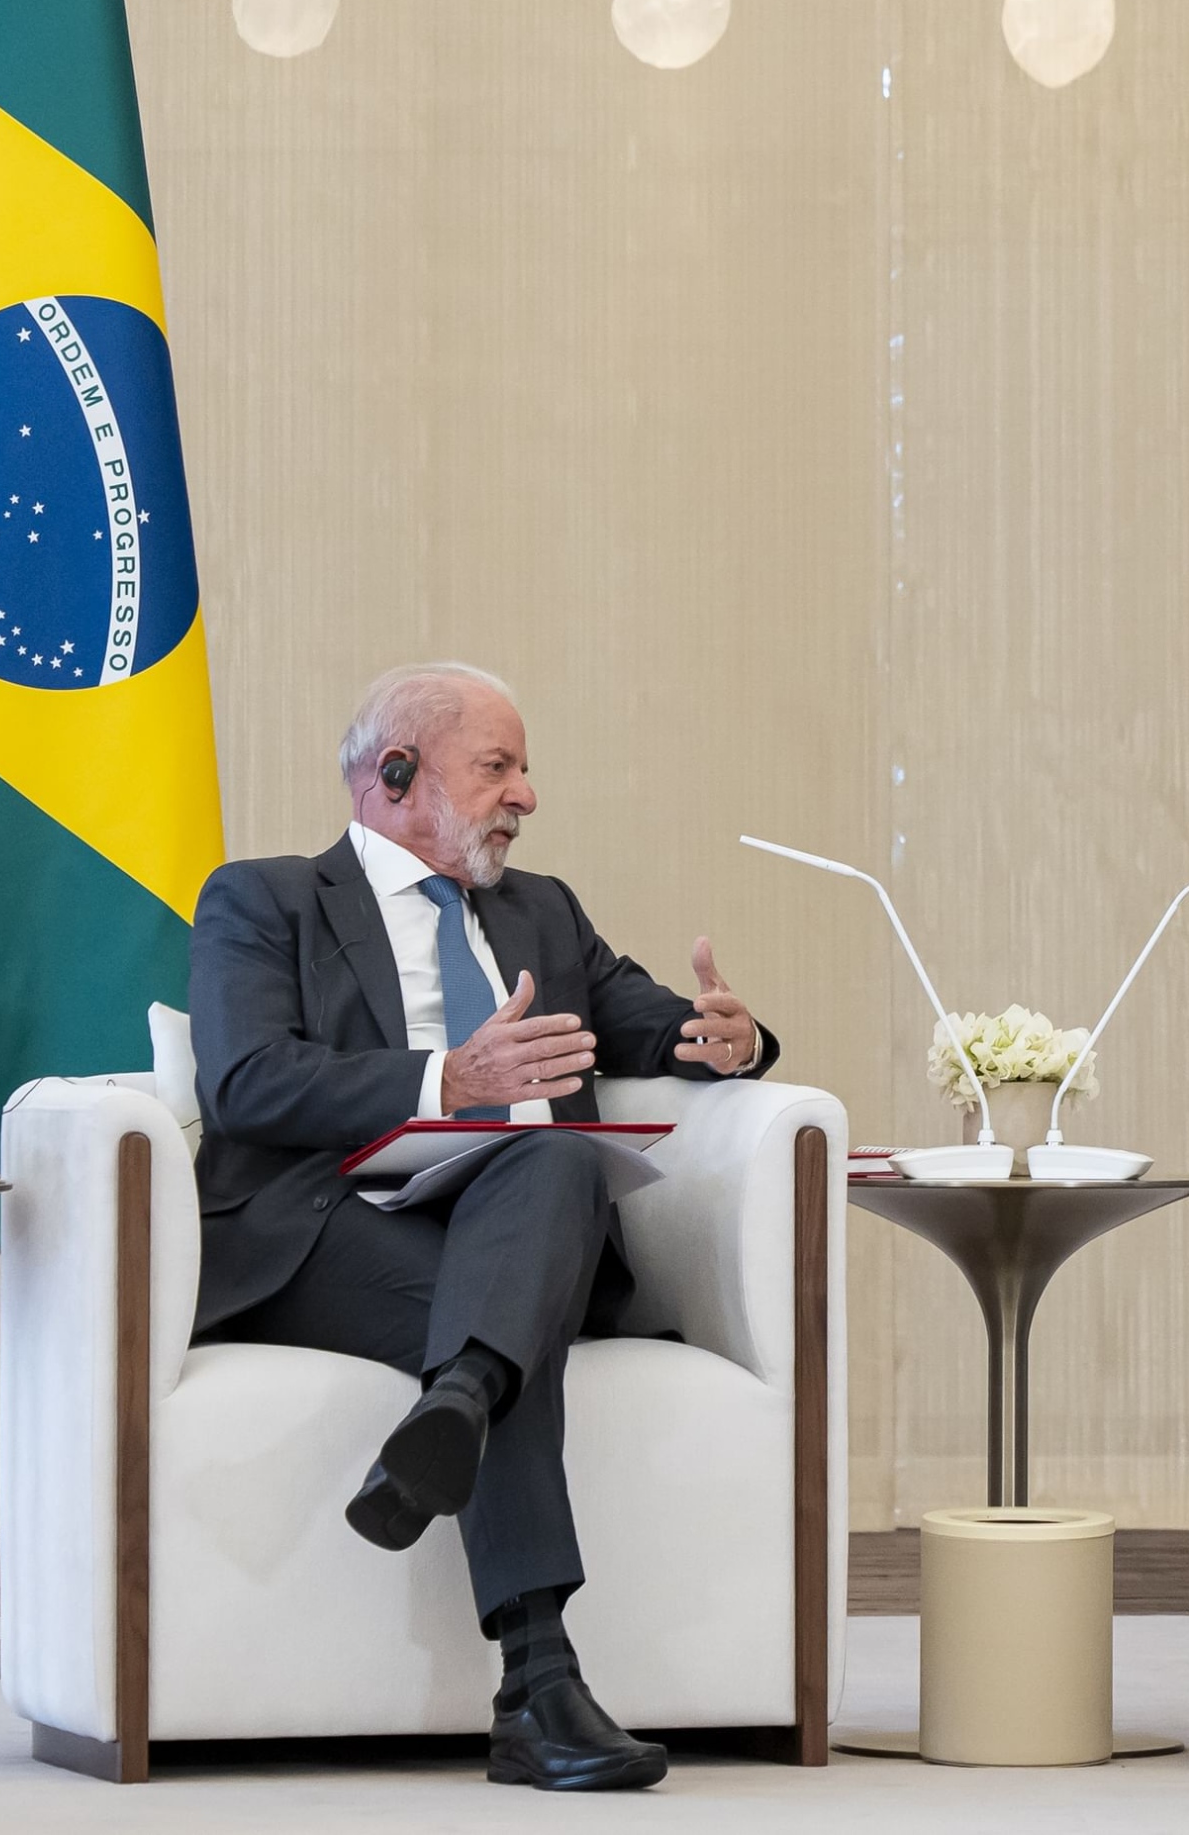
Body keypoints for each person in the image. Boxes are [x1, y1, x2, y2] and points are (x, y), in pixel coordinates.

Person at [188, 661, 776, 1794]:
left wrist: (725, 1039)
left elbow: (649, 1022)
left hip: (520, 1221)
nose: (526, 795)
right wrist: (445, 1079)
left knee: (554, 1157)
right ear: (395, 773)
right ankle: (537, 1682)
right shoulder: (264, 900)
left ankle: (458, 1402)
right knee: (513, 1315)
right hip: (331, 1230)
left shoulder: (541, 910)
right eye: (498, 767)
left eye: (523, 769)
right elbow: (247, 1082)